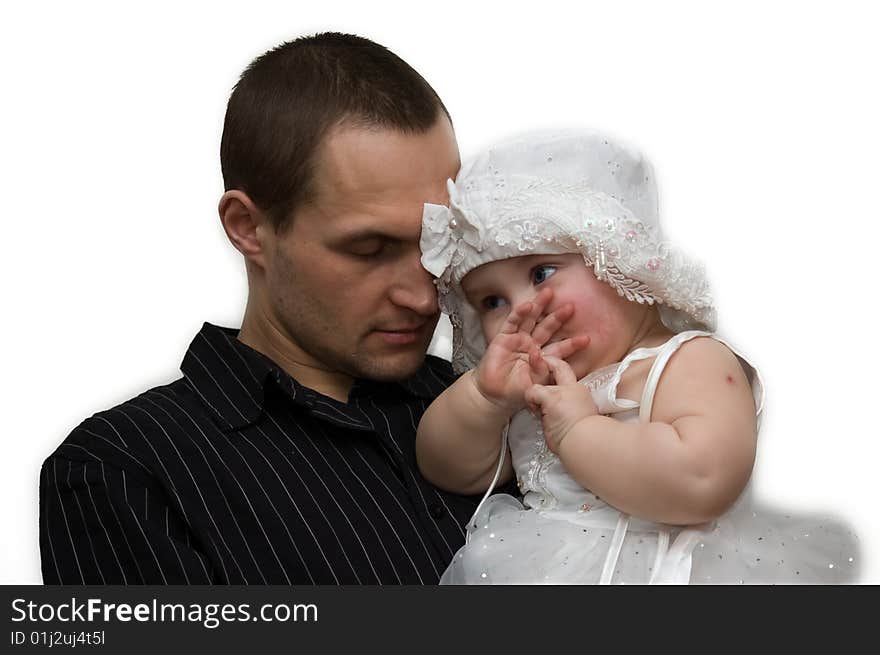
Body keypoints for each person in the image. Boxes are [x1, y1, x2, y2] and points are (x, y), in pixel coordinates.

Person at [39, 32, 493, 584]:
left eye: (439, 244)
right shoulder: (127, 469)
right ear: (247, 227)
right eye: (369, 250)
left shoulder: (502, 404)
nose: (424, 296)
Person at [417, 129, 860, 584]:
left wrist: (578, 431)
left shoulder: (686, 362)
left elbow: (704, 480)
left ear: (617, 260)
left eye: (541, 272)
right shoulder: (532, 390)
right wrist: (485, 400)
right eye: (491, 302)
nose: (521, 310)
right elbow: (449, 470)